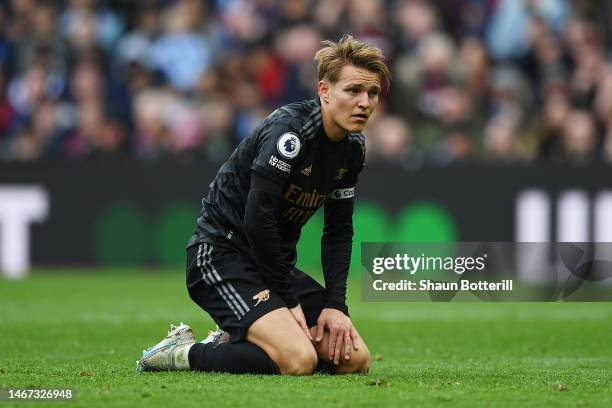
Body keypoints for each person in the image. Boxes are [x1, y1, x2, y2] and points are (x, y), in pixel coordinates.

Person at [137, 35, 390, 375]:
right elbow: (258, 219)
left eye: (372, 93)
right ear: (325, 91)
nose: (364, 102)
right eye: (353, 90)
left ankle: (241, 339)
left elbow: (339, 231)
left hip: (272, 266)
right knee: (299, 360)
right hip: (221, 255)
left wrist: (336, 306)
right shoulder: (290, 133)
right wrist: (290, 301)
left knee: (353, 360)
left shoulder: (352, 148)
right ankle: (183, 352)